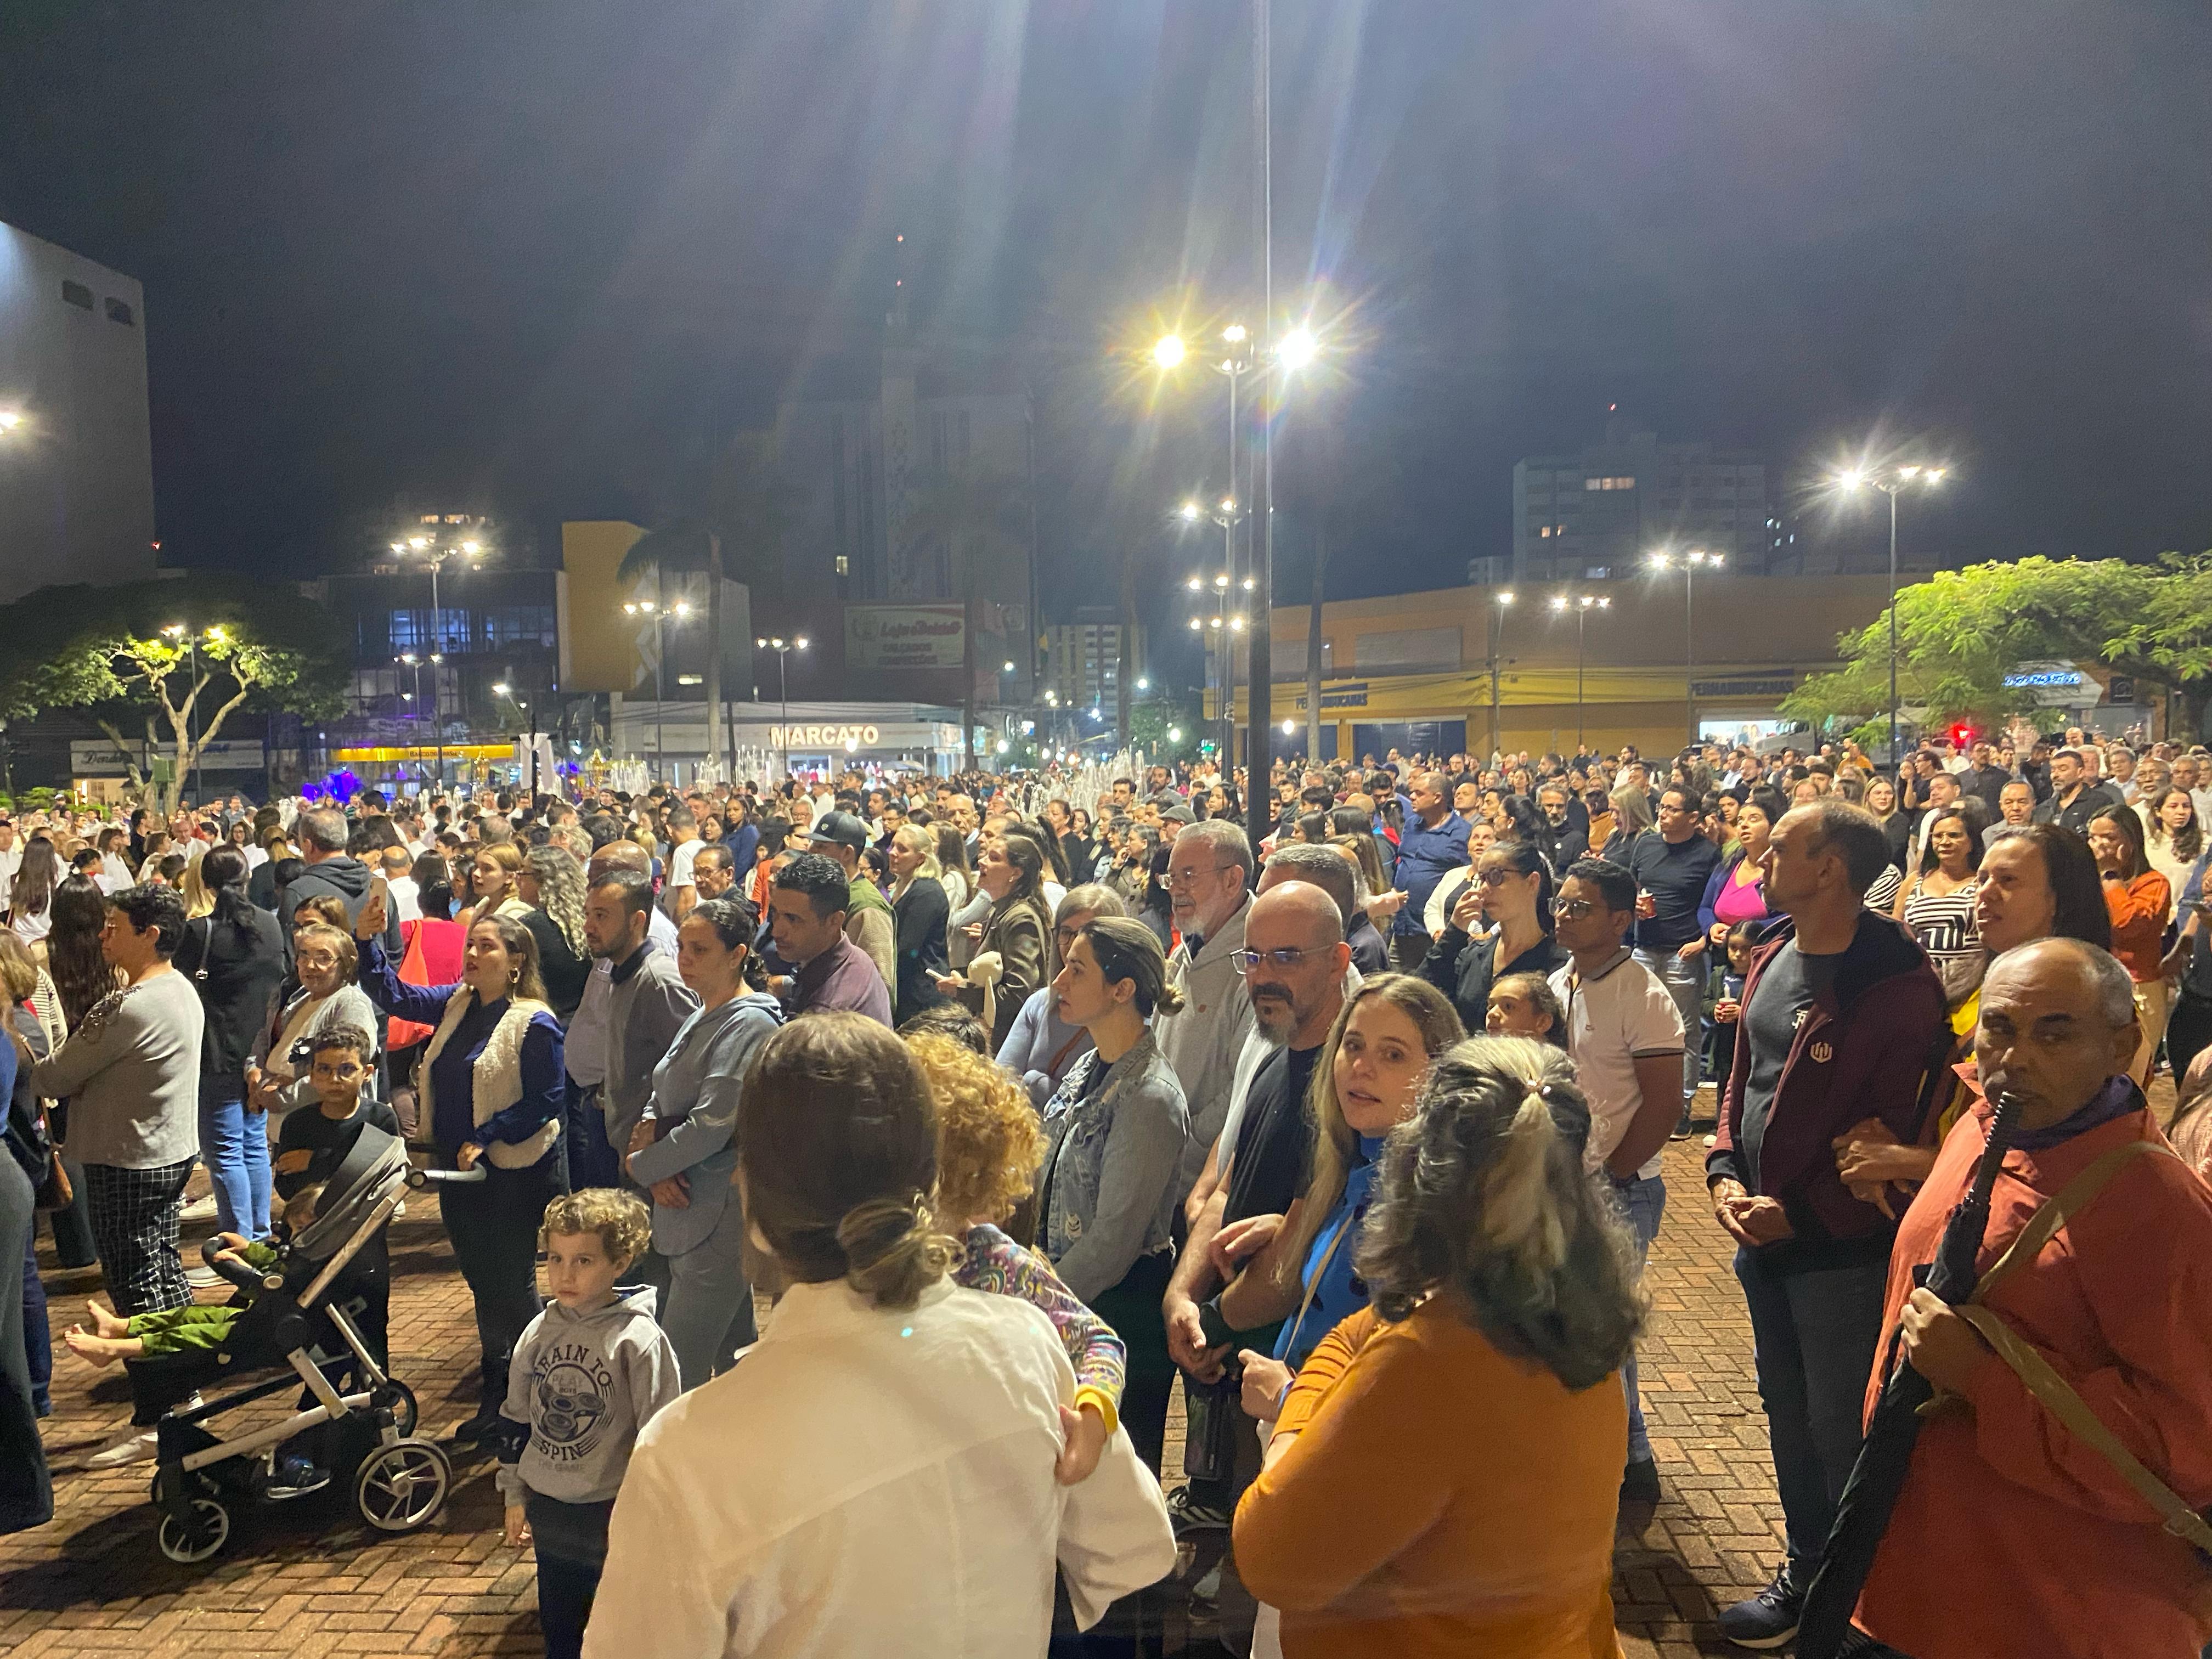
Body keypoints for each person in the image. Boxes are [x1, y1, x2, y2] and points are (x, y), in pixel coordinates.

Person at [583, 1013, 1175, 1658]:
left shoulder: (685, 1457)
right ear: (929, 1181)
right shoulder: (1027, 1346)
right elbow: (1132, 1546)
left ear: (752, 1196)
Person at [1844, 938, 2212, 1659]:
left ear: (2122, 1044)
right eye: (2001, 1028)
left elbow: (2187, 1446)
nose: (2016, 1057)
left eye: (2055, 1032)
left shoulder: (2161, 1211)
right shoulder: (1983, 1128)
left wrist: (1982, 1378)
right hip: (1920, 1569)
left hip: (2055, 1607)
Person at [1232, 1036, 1641, 1658]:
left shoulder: (1429, 1359)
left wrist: (1294, 1405)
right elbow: (1362, 1330)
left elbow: (1271, 1559)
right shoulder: (1580, 1321)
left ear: (1420, 1168)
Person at [1703, 801, 1949, 1649]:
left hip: (1840, 1250)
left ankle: (1858, 1607)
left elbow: (1891, 1134)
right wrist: (1723, 1168)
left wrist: (1800, 1215)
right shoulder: (1772, 950)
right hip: (1761, 1236)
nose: (1761, 858)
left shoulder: (1896, 983)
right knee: (1784, 1410)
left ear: (1832, 868)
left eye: (1781, 849)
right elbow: (1745, 1076)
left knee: (1841, 1424)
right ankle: (1808, 1574)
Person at [1161, 880, 1353, 1539]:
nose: (1264, 977)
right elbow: (1224, 1188)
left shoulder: (1345, 1088)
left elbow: (1293, 1258)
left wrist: (1208, 1323)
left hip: (1289, 1369)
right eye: (1254, 958)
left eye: (1287, 958)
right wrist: (1181, 1297)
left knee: (1274, 1545)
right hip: (1238, 1356)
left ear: (1339, 962)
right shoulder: (1277, 1055)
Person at [353, 883, 566, 1443]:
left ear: (516, 961)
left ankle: (532, 1399)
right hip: (458, 1171)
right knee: (480, 1283)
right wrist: (369, 940)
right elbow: (393, 995)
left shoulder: (533, 1021)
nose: (473, 956)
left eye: (488, 948)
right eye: (472, 946)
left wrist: (489, 1133)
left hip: (510, 1173)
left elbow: (547, 1101)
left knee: (511, 1285)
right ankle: (498, 1395)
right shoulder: (458, 1003)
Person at [17, 884, 206, 1466]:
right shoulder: (176, 993)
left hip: (130, 1159)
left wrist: (16, 1046)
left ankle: (161, 1412)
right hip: (162, 1151)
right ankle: (178, 1399)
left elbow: (55, 1075)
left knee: (137, 1285)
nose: (104, 935)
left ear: (150, 933)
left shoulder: (131, 1005)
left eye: (115, 925)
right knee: (160, 1273)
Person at [910, 1031, 1124, 1484]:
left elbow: (1099, 1341)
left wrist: (1092, 1417)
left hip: (993, 1471)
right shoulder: (868, 1253)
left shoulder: (995, 1260)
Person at [1545, 856, 1686, 1506]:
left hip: (1621, 1189)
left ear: (1621, 919)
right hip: (1566, 1182)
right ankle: (1600, 1444)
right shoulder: (1559, 982)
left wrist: (1617, 1175)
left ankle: (1632, 1457)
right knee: (1574, 1316)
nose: (1564, 915)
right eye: (1563, 903)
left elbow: (1663, 1106)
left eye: (1581, 907)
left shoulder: (1644, 994)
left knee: (1606, 1320)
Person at [1037, 915, 1192, 1475]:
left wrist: (1037, 1300)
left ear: (1122, 990)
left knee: (1114, 1486)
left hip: (1117, 1311)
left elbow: (1113, 1242)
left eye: (1077, 970)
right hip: (1072, 1296)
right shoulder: (1089, 1066)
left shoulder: (1150, 1097)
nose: (1060, 982)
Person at [496, 1188, 680, 1659]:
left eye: (584, 1261)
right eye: (555, 1258)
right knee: (560, 1624)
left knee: (617, 1626)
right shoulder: (538, 1332)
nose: (565, 1274)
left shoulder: (637, 1341)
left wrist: (653, 1513)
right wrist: (516, 1492)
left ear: (619, 1265)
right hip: (551, 1504)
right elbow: (517, 1417)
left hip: (611, 1508)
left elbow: (660, 1435)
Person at [624, 896, 782, 1390]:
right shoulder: (704, 1012)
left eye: (699, 949)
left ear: (736, 955)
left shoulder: (750, 1022)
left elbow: (713, 1123)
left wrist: (644, 1166)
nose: (684, 959)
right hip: (685, 1200)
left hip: (716, 1207)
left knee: (676, 1370)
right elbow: (661, 1089)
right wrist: (654, 1158)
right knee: (735, 1361)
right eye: (682, 948)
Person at [172, 844, 286, 1255]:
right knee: (252, 1143)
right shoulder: (271, 925)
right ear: (248, 878)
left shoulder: (200, 933)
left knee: (223, 1151)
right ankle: (257, 1236)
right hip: (258, 1048)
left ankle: (239, 1243)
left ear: (203, 882)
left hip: (215, 1051)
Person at [1152, 817, 1257, 1199]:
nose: (1175, 890)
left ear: (1232, 880)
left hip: (1199, 1178)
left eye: (1189, 876)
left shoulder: (1258, 956)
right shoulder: (1185, 949)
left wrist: (1186, 1142)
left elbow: (1241, 1086)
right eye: (1171, 878)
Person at [1630, 787, 1723, 1140]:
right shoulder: (1646, 845)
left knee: (1682, 1031)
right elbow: (1634, 883)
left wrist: (1701, 942)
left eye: (1672, 809)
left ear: (1693, 818)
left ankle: (1680, 1108)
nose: (1663, 813)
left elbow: (1713, 903)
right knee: (1640, 1026)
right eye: (1661, 807)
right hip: (1644, 947)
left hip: (1683, 951)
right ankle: (1644, 1099)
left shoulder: (1707, 854)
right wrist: (1635, 903)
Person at [995, 884, 1122, 1109]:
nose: (1074, 944)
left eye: (1085, 933)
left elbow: (1099, 1108)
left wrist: (1034, 1081)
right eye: (1066, 932)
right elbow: (999, 1084)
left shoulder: (1118, 1016)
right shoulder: (1040, 1002)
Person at [1421, 839, 1565, 1036]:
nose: (1484, 889)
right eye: (1482, 879)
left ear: (1532, 882)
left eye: (1496, 877)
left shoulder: (1558, 965)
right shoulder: (1474, 955)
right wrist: (1454, 931)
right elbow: (1421, 994)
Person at [940, 828, 1053, 1051]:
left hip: (1007, 1040)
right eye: (985, 855)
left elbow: (1019, 991)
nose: (981, 862)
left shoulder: (1021, 918)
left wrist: (962, 990)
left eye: (994, 859)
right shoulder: (999, 910)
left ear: (1015, 873)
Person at [2086, 804, 2170, 1085]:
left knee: (2131, 1074)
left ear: (2131, 841)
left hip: (2139, 986)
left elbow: (2126, 927)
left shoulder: (2153, 883)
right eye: (2093, 838)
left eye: (2109, 838)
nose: (2100, 846)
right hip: (2096, 985)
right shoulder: (2089, 882)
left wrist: (2111, 876)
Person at [768, 853, 893, 1025]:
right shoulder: (854, 958)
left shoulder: (826, 1014)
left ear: (835, 921)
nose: (777, 931)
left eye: (792, 919)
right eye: (775, 913)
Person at [1894, 803, 1985, 1007]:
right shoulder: (1913, 882)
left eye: (1954, 835)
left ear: (1971, 843)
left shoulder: (1983, 883)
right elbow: (1896, 930)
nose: (1945, 842)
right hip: (1918, 986)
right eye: (1938, 836)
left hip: (1970, 990)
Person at [286, 807, 402, 954]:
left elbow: (289, 955)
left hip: (317, 977)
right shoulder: (378, 886)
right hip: (374, 975)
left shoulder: (298, 892)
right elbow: (394, 951)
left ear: (308, 845)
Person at [1384, 772, 1468, 972]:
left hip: (1433, 928)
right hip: (1402, 922)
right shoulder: (1412, 824)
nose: (1411, 797)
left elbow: (1467, 878)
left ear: (1438, 798)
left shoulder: (1462, 832)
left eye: (1419, 793)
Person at [808, 810, 898, 992]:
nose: (811, 851)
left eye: (821, 846)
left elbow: (880, 981)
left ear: (848, 853)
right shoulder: (832, 892)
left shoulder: (866, 904)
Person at [885, 822, 949, 1025]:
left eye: (902, 849)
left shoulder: (926, 892)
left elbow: (908, 948)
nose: (893, 853)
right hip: (908, 986)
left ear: (921, 858)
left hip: (922, 992)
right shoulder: (903, 883)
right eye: (892, 846)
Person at [518, 845, 592, 1020]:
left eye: (523, 874)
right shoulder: (589, 919)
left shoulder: (530, 926)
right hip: (582, 1022)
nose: (518, 880)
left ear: (543, 879)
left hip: (544, 1022)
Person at [1700, 794, 1778, 948]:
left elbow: (1790, 917)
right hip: (1725, 957)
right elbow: (1705, 907)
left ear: (1772, 827)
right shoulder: (1727, 866)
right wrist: (1712, 927)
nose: (1744, 825)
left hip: (1764, 952)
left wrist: (1741, 933)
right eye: (1740, 820)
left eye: (1754, 819)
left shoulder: (1781, 870)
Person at [2032, 746, 2121, 836]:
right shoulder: (2043, 809)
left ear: (2080, 772)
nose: (2055, 775)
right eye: (2053, 770)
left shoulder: (2101, 803)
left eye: (2063, 769)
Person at [2142, 784, 2200, 893]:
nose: (2181, 811)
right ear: (2158, 812)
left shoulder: (2205, 844)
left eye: (2186, 806)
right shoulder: (2145, 845)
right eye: (2173, 806)